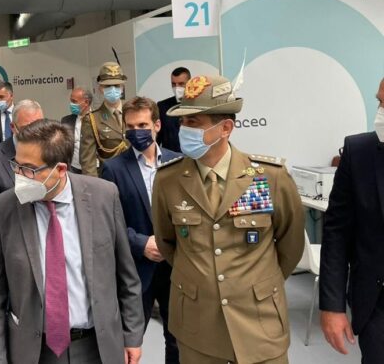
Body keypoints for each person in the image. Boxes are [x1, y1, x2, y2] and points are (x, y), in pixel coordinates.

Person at [152, 74, 304, 364]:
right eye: (182, 122)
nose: (184, 129)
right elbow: (167, 243)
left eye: (193, 122)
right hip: (198, 327)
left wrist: (254, 285)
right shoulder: (168, 180)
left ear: (225, 128)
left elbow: (290, 245)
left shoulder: (269, 177)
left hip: (259, 324)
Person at [0, 119, 145, 364]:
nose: (19, 176)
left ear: (60, 170)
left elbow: (126, 274)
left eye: (29, 169)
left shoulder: (103, 196)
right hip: (34, 351)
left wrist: (132, 336)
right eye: (16, 165)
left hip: (96, 346)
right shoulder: (3, 208)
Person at [101, 96, 181, 364]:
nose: (137, 132)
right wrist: (141, 243)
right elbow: (108, 223)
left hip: (175, 268)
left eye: (143, 125)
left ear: (157, 125)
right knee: (129, 343)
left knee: (178, 340)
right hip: (136, 269)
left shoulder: (178, 163)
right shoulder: (113, 169)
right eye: (131, 126)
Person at [320, 78, 384, 362]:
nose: (380, 112)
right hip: (377, 305)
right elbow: (337, 233)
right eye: (380, 102)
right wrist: (332, 306)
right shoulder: (359, 152)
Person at [0, 99, 43, 195]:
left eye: (39, 127)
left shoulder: (51, 150)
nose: (34, 133)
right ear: (13, 127)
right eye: (26, 128)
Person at [79, 62, 129, 176]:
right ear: (100, 88)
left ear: (122, 87)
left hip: (134, 176)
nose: (113, 89)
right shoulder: (92, 119)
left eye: (117, 85)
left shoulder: (132, 113)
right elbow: (88, 163)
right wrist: (95, 185)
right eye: (108, 86)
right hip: (109, 177)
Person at [156, 67, 191, 153]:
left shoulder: (198, 105)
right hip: (169, 157)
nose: (177, 87)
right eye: (174, 84)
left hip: (193, 156)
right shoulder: (162, 106)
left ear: (189, 83)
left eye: (181, 84)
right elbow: (157, 136)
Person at [61, 87, 93, 174]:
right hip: (73, 168)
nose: (71, 104)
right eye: (71, 101)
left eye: (74, 101)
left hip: (93, 169)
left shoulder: (97, 120)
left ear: (86, 102)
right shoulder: (66, 121)